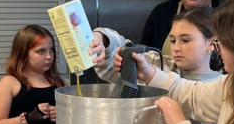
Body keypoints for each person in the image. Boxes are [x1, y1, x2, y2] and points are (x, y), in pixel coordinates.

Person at [94, 6, 222, 84]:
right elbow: (119, 51)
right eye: (173, 41)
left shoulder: (224, 86)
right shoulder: (157, 65)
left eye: (185, 40)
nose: (176, 48)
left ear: (211, 44)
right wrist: (102, 40)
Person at [0, 25, 63, 124]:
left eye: (51, 50)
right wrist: (28, 118)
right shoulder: (9, 83)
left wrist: (63, 114)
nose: (49, 56)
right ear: (23, 54)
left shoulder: (59, 82)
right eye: (41, 51)